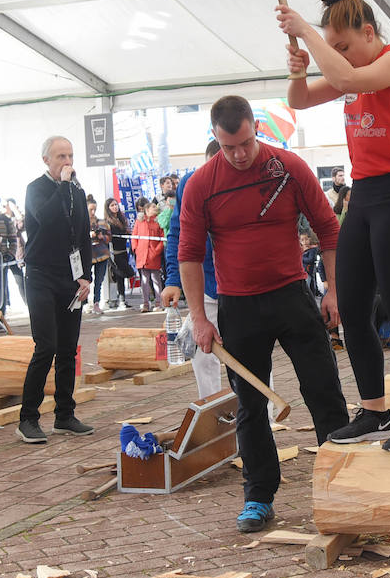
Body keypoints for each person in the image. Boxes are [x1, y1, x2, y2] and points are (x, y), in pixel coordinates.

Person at [278, 0, 390, 453]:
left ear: (369, 32)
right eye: (334, 49)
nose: (339, 57)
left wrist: (305, 31)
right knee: (350, 309)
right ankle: (373, 410)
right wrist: (298, 71)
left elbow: (347, 79)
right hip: (363, 199)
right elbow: (299, 101)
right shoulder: (353, 68)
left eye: (343, 46)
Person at [179, 96, 349, 530]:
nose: (239, 155)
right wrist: (200, 317)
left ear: (256, 128)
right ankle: (258, 495)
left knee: (323, 390)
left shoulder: (288, 167)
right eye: (228, 147)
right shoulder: (201, 183)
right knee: (250, 405)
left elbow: (328, 227)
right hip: (238, 307)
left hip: (291, 296)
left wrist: (334, 290)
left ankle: (344, 486)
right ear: (215, 138)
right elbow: (190, 255)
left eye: (246, 143)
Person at [16, 136, 94, 444]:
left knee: (67, 347)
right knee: (45, 346)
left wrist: (86, 275)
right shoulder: (36, 189)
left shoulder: (77, 190)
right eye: (61, 156)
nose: (67, 161)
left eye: (71, 155)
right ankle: (28, 418)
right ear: (47, 160)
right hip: (40, 275)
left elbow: (83, 234)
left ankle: (65, 415)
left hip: (70, 277)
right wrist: (62, 186)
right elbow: (45, 220)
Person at [162, 139, 227, 400]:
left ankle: (262, 421)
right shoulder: (191, 184)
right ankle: (215, 416)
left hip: (246, 284)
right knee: (202, 351)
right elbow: (178, 234)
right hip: (207, 282)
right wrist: (174, 279)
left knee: (251, 355)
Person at [131, 197, 164, 311]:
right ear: (147, 210)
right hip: (142, 255)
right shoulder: (139, 221)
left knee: (156, 279)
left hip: (153, 255)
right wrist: (136, 249)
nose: (155, 208)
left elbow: (162, 238)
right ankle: (145, 303)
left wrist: (157, 250)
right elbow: (134, 236)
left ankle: (158, 303)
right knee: (144, 280)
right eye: (153, 207)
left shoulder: (159, 221)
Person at [104, 198, 134, 310]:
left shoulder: (121, 218)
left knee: (123, 276)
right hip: (114, 253)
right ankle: (120, 300)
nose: (115, 207)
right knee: (119, 275)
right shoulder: (108, 222)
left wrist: (127, 232)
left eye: (116, 204)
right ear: (108, 208)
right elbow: (112, 236)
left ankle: (122, 299)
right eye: (112, 205)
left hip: (123, 251)